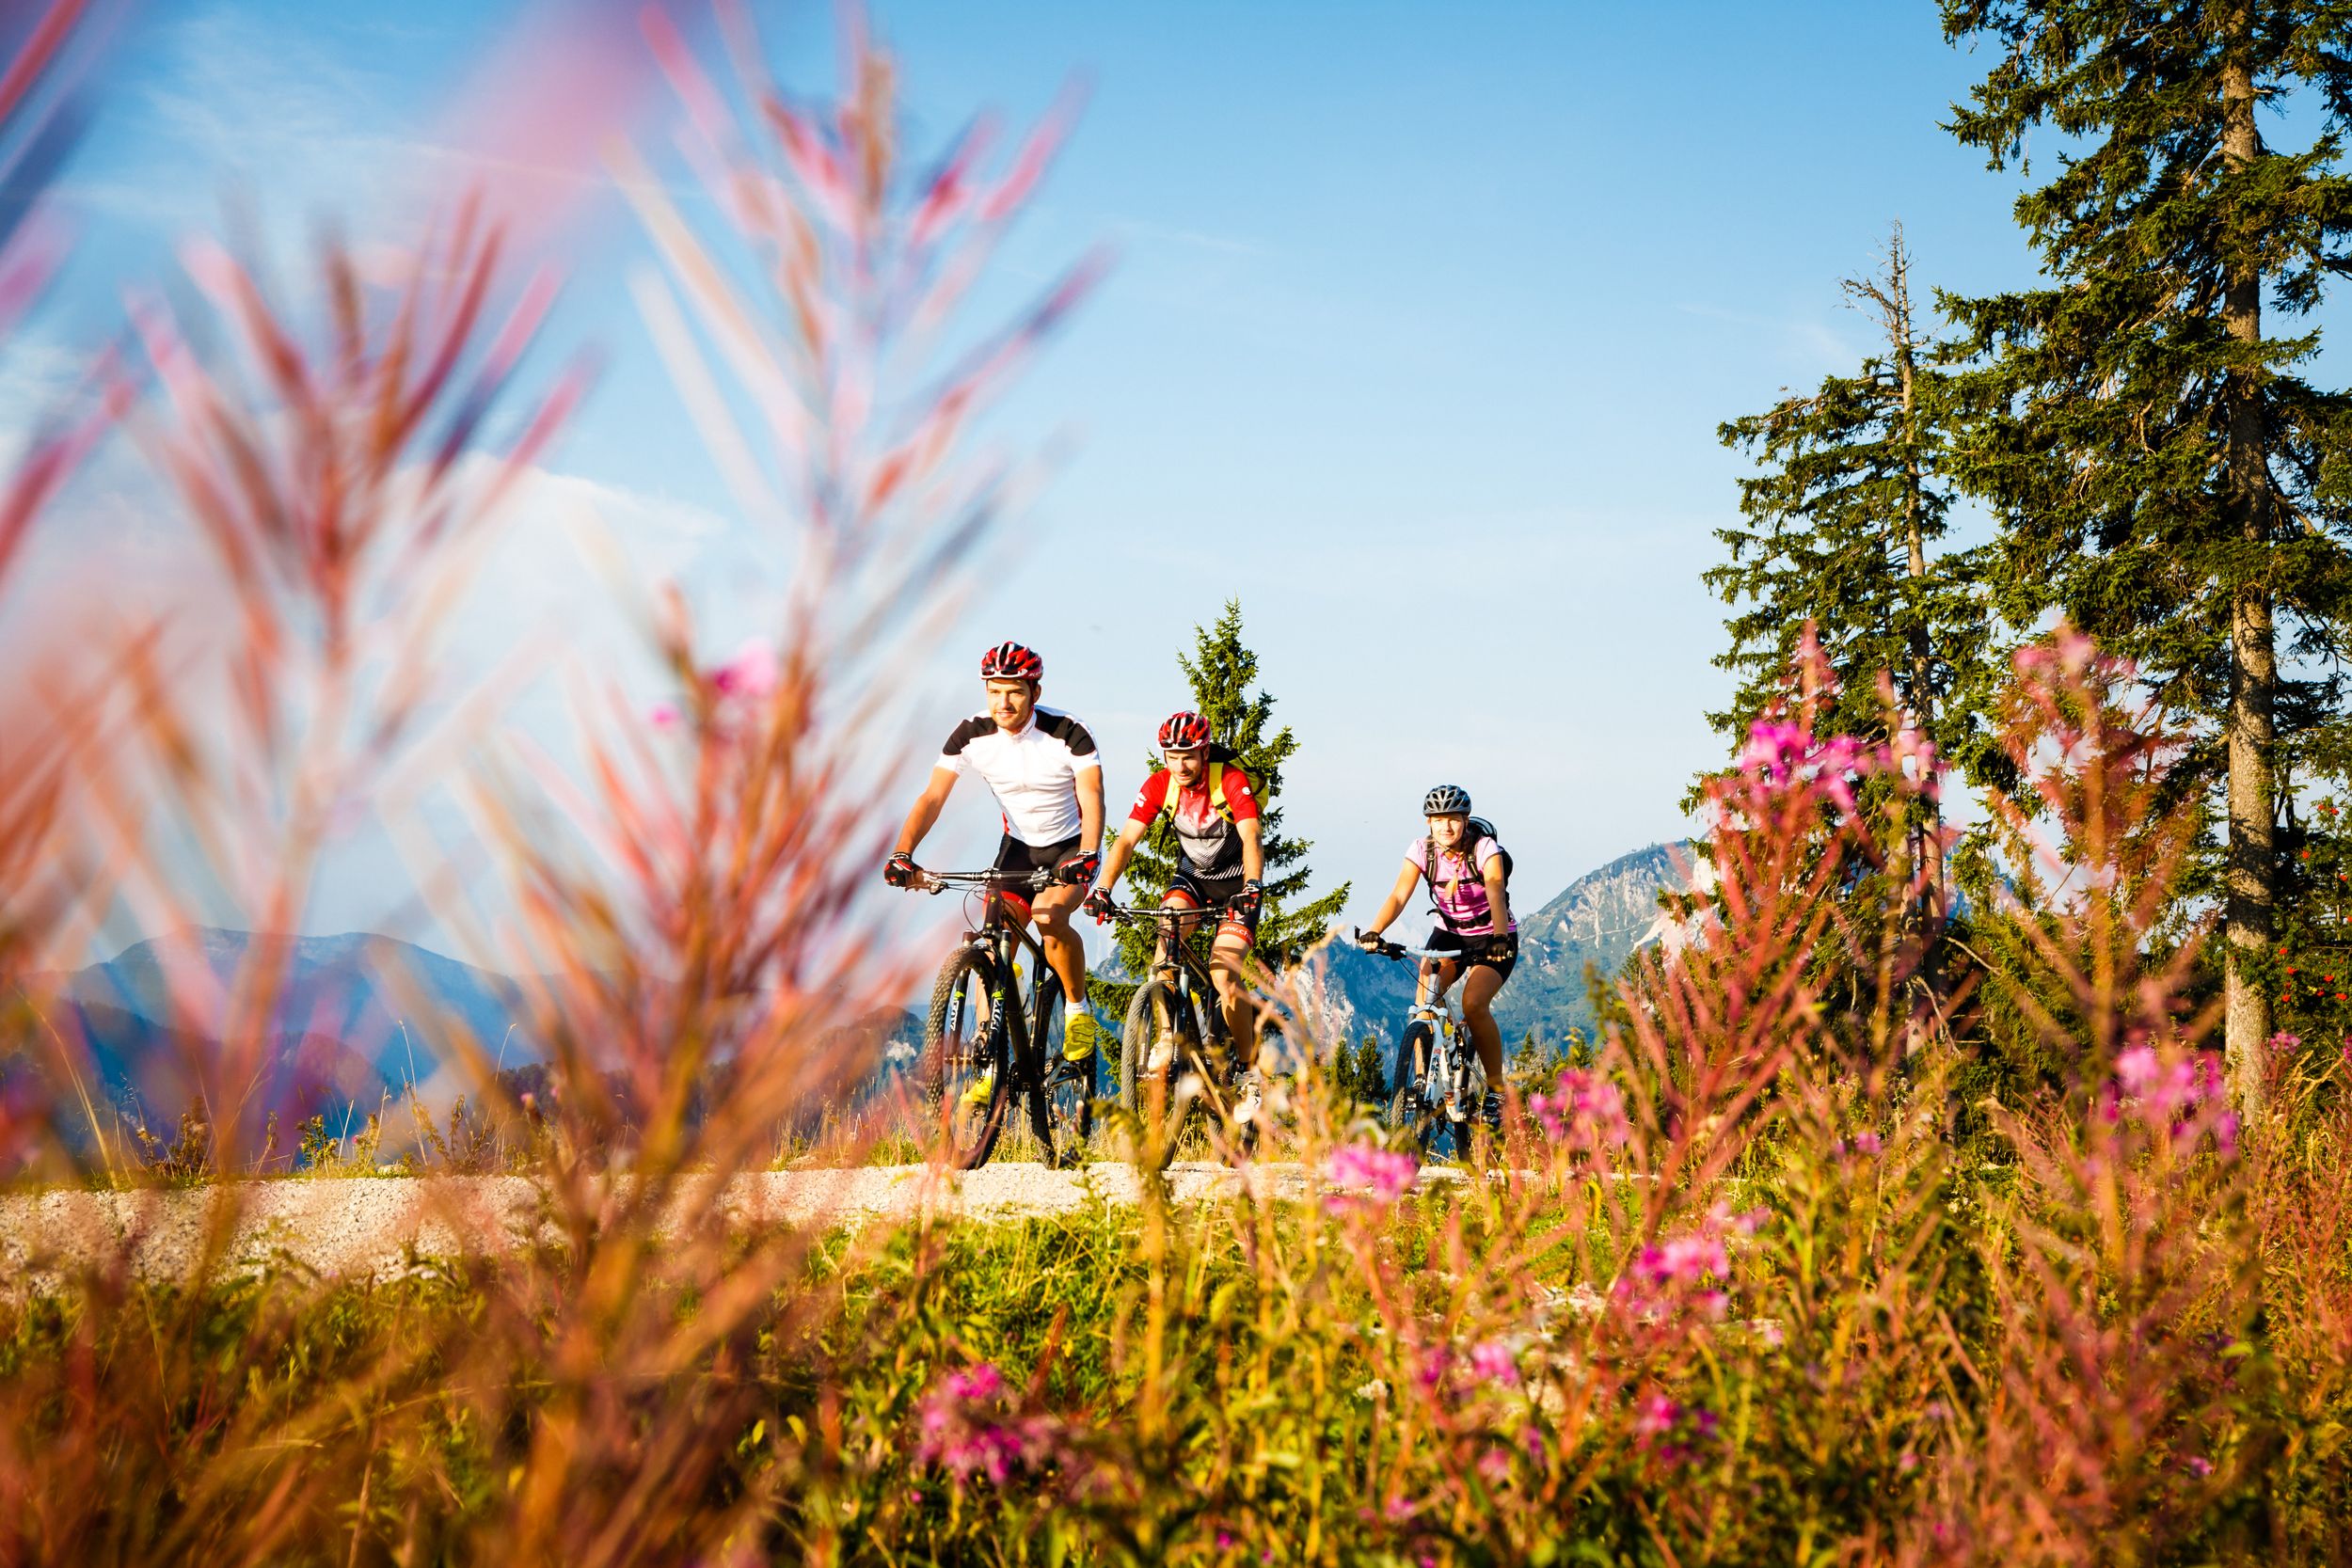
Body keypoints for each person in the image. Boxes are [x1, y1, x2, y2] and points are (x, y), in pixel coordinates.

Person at [884, 641, 1104, 1088]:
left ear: (1034, 691)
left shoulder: (1068, 733)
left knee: (1048, 916)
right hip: (1018, 848)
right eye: (994, 692)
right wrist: (902, 853)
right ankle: (991, 1051)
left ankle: (1079, 1011)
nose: (1003, 703)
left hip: (1069, 847)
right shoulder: (970, 735)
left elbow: (1092, 795)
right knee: (990, 936)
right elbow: (932, 797)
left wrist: (1087, 853)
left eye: (1015, 693)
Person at [1084, 711, 1268, 1104]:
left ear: (1204, 753)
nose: (1180, 765)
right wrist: (1102, 888)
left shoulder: (1229, 781)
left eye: (1188, 756)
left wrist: (1252, 885)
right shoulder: (1159, 786)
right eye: (1172, 755)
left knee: (1224, 977)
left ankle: (1249, 1071)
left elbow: (1251, 835)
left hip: (1237, 885)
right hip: (1193, 881)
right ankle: (1166, 1038)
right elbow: (1126, 841)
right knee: (1163, 951)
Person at [1354, 784, 1518, 1132]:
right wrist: (1375, 930)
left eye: (1454, 819)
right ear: (1427, 822)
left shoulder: (1484, 848)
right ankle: (1419, 1078)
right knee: (1424, 1001)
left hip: (1492, 936)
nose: (1446, 827)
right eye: (1439, 819)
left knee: (1474, 1004)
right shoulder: (1421, 850)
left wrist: (1500, 937)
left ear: (1466, 820)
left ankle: (1496, 1089)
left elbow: (1495, 893)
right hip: (1449, 933)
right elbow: (1399, 895)